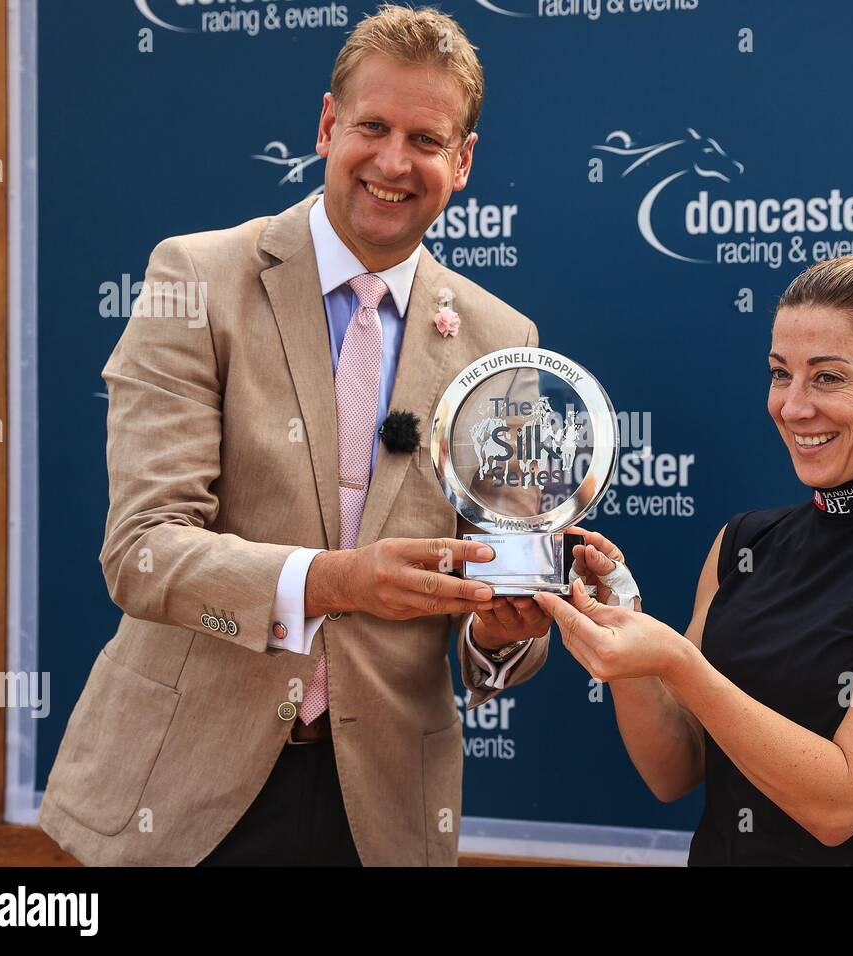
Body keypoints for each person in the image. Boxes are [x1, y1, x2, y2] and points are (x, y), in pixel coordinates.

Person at [39, 5, 552, 867]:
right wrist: (337, 581)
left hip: (380, 814)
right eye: (373, 127)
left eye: (426, 140)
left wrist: (505, 629)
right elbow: (142, 552)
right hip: (180, 799)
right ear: (326, 126)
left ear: (462, 162)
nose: (394, 162)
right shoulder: (195, 279)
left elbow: (497, 615)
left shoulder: (503, 342)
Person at [539, 255, 853, 865]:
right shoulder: (745, 543)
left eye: (828, 378)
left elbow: (839, 805)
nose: (793, 407)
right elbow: (674, 770)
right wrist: (630, 646)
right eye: (780, 374)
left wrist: (678, 661)